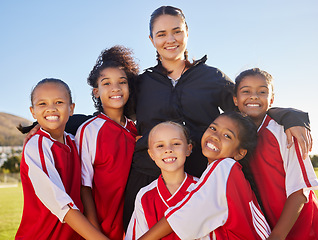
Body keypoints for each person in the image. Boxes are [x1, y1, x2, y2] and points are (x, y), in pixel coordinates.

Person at [122, 5, 312, 230]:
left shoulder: (211, 76)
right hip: (149, 176)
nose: (170, 39)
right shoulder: (142, 84)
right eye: (161, 34)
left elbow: (248, 104)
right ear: (151, 39)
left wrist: (292, 115)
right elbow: (113, 116)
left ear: (187, 32)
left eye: (177, 31)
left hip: (203, 180)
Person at [138, 112, 271, 240]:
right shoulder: (225, 173)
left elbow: (183, 217)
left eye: (227, 136)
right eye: (213, 128)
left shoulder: (225, 167)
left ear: (240, 153)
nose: (215, 136)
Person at [233, 68, 318, 240]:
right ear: (235, 99)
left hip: (302, 227)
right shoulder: (238, 137)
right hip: (269, 225)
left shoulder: (286, 132)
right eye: (246, 91)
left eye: (262, 91)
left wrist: (277, 235)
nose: (254, 96)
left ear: (272, 99)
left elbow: (300, 191)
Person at [16, 79, 109, 240]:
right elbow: (62, 205)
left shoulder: (75, 142)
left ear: (71, 108)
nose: (51, 108)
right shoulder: (36, 146)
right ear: (33, 111)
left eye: (58, 102)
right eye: (42, 104)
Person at [74, 46, 138, 239]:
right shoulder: (89, 130)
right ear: (96, 91)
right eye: (106, 83)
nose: (115, 88)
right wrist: (94, 229)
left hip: (132, 224)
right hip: (101, 228)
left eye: (122, 82)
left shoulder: (136, 129)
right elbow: (84, 185)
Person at [125, 121, 198, 239]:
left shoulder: (203, 188)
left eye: (176, 143)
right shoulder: (144, 196)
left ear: (188, 149)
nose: (168, 149)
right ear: (151, 154)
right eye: (160, 146)